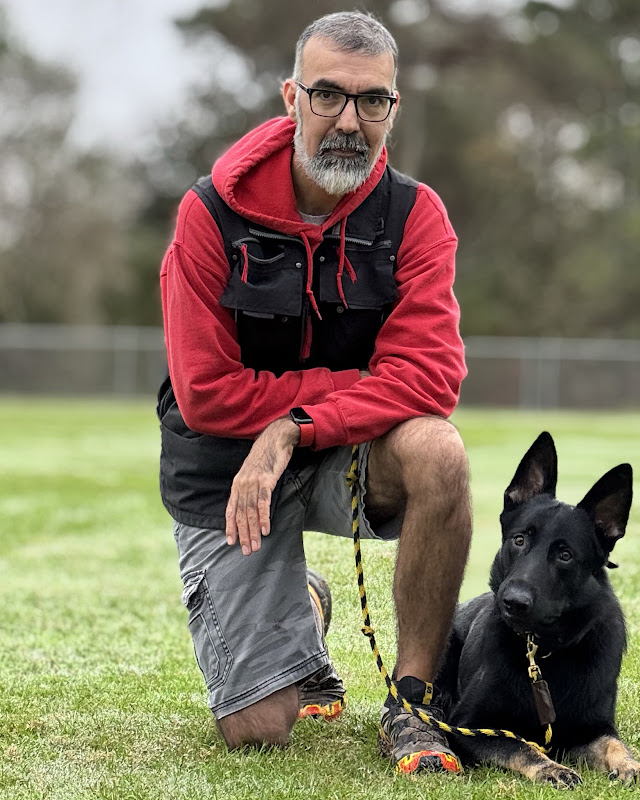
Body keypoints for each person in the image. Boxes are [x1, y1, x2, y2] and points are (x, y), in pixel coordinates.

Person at [157, 10, 472, 775]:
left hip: (334, 451)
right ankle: (301, 605)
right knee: (259, 730)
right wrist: (333, 401)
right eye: (328, 96)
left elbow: (432, 375)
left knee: (439, 450)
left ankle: (414, 701)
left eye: (373, 102)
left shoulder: (415, 214)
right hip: (228, 471)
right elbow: (206, 394)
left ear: (393, 109)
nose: (349, 121)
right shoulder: (209, 213)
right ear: (290, 98)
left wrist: (298, 424)